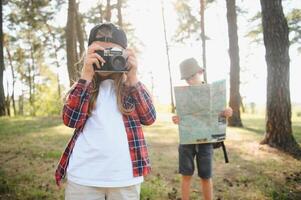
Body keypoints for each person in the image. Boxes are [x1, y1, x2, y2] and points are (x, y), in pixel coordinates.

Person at [54, 23, 156, 200]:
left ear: (125, 56)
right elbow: (70, 120)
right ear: (89, 55)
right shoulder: (83, 87)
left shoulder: (131, 87)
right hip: (84, 177)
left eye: (114, 54)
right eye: (101, 53)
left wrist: (133, 77)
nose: (106, 60)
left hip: (125, 179)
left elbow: (149, 117)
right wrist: (86, 76)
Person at [172, 58, 232, 200]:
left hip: (206, 141)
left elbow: (221, 115)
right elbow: (182, 116)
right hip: (187, 141)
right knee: (186, 174)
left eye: (192, 76)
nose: (190, 80)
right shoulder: (184, 94)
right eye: (187, 78)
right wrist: (177, 119)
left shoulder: (213, 92)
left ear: (200, 72)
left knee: (206, 175)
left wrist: (227, 112)